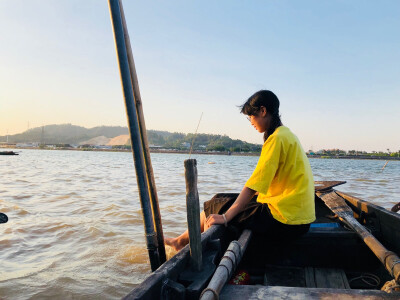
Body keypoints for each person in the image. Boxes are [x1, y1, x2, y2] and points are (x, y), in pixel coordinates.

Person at [165, 90, 315, 251]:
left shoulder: (276, 139)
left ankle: (183, 244)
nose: (250, 121)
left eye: (251, 116)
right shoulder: (287, 134)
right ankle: (181, 241)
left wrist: (225, 217)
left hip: (286, 219)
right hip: (298, 216)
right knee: (219, 198)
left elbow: (253, 186)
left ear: (263, 111)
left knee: (216, 206)